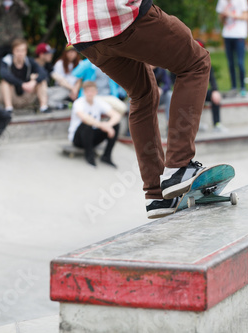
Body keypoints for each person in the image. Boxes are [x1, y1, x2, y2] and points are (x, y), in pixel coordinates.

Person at [61, 0, 211, 218]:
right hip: (118, 13)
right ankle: (179, 166)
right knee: (196, 63)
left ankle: (156, 194)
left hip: (80, 30)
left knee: (143, 93)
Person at [68, 81, 121, 168]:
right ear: (84, 92)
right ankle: (89, 156)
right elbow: (85, 118)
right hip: (78, 138)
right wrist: (103, 126)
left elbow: (116, 115)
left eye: (92, 91)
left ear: (96, 91)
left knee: (115, 125)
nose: (90, 93)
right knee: (87, 124)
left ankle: (106, 156)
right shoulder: (78, 103)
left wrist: (108, 125)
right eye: (88, 91)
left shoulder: (98, 102)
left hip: (92, 136)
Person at [0, 39, 49, 113]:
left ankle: (44, 107)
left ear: (26, 51)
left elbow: (43, 73)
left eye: (22, 50)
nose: (20, 53)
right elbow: (3, 74)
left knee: (41, 81)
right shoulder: (6, 60)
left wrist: (33, 82)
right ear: (13, 51)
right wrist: (21, 84)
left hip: (26, 94)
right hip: (12, 95)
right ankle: (8, 108)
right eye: (17, 50)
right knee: (4, 82)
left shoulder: (29, 61)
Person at [216, 0, 248, 97]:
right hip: (227, 34)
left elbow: (246, 16)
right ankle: (234, 87)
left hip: (239, 35)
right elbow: (220, 20)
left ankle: (243, 87)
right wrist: (223, 15)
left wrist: (231, 15)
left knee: (240, 63)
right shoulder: (222, 1)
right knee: (230, 63)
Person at [0, 0, 28, 75]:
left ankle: (18, 81)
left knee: (19, 60)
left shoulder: (17, 3)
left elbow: (25, 12)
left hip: (15, 40)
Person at [196, 39, 227, 132]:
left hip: (201, 91)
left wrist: (215, 91)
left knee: (214, 96)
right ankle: (195, 124)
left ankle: (217, 124)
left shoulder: (206, 63)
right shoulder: (183, 63)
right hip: (187, 93)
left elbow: (212, 79)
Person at [49, 45, 80, 109]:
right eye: (69, 52)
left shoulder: (80, 63)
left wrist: (75, 90)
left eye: (73, 52)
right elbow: (60, 81)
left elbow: (79, 80)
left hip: (76, 90)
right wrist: (72, 89)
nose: (71, 54)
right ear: (65, 53)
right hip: (62, 89)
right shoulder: (59, 63)